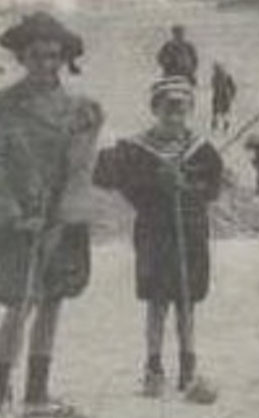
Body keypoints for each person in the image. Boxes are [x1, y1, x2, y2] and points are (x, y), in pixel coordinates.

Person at [0, 12, 103, 418]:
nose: (46, 64)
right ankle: (2, 393)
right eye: (36, 55)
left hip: (61, 220)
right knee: (21, 301)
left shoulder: (81, 110)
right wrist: (13, 213)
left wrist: (62, 217)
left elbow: (81, 167)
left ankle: (37, 393)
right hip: (14, 223)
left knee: (52, 301)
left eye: (54, 56)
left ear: (64, 59)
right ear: (21, 57)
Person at [93, 77, 224, 398]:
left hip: (191, 229)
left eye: (181, 108)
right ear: (155, 109)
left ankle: (188, 366)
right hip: (154, 230)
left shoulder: (201, 148)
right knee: (157, 299)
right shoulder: (137, 148)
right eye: (167, 107)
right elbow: (117, 181)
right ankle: (153, 368)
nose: (174, 114)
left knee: (187, 300)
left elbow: (213, 188)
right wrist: (155, 180)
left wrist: (187, 186)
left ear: (190, 110)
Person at [209, 62, 237, 135]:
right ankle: (215, 129)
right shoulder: (214, 77)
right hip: (218, 96)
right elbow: (214, 87)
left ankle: (225, 129)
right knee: (215, 114)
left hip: (224, 97)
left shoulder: (226, 76)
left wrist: (231, 95)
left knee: (224, 114)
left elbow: (233, 87)